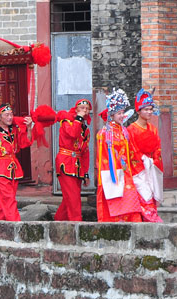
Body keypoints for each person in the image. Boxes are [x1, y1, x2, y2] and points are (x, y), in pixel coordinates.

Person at [95, 89, 142, 223]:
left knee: (130, 199)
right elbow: (102, 157)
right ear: (112, 115)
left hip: (126, 172)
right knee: (114, 200)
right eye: (119, 113)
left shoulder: (124, 131)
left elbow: (131, 151)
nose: (122, 116)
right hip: (112, 173)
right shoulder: (104, 133)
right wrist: (111, 173)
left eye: (122, 112)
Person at [127, 90, 164, 223]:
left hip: (151, 167)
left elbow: (157, 148)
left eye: (151, 109)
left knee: (152, 197)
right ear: (138, 111)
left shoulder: (153, 128)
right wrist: (143, 161)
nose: (149, 112)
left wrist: (154, 161)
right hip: (139, 169)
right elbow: (132, 151)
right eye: (146, 109)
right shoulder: (131, 129)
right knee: (144, 198)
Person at [53, 99, 92, 222]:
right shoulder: (67, 121)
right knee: (74, 198)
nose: (84, 110)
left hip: (78, 165)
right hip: (66, 162)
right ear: (76, 110)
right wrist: (79, 119)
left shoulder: (86, 129)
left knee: (69, 198)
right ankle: (77, 224)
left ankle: (58, 221)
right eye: (82, 108)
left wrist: (86, 173)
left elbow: (85, 152)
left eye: (87, 108)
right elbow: (73, 134)